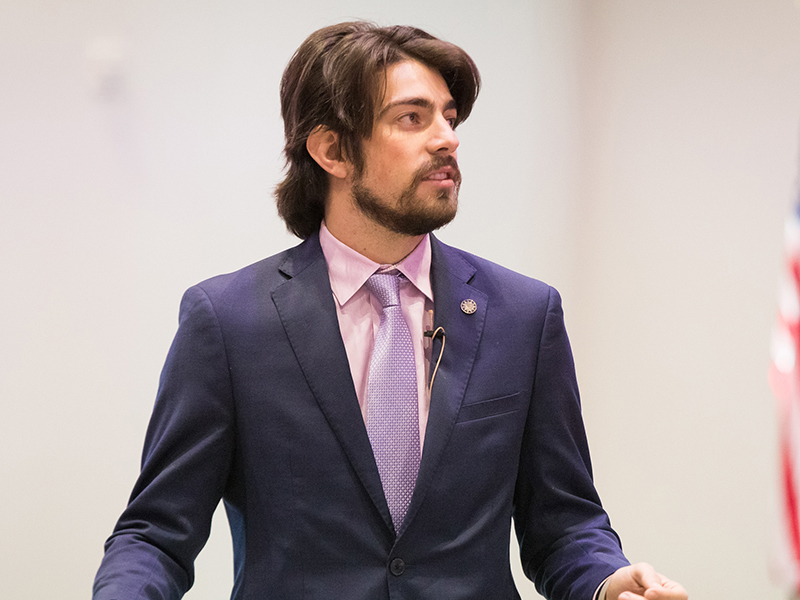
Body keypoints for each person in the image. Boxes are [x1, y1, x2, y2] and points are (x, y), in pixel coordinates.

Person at [93, 22, 688, 600]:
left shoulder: (525, 316)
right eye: (412, 117)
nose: (446, 138)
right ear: (331, 150)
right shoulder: (228, 323)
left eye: (449, 118)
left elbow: (564, 524)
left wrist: (607, 584)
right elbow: (156, 533)